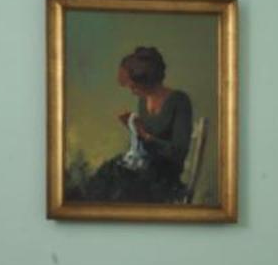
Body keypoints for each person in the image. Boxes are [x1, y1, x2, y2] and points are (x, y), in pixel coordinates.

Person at [70, 46, 195, 202]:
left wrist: (145, 135)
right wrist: (132, 127)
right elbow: (144, 143)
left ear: (146, 80)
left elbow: (178, 153)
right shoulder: (143, 101)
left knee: (121, 184)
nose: (131, 90)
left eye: (133, 86)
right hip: (143, 167)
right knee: (105, 173)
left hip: (164, 176)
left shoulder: (179, 101)